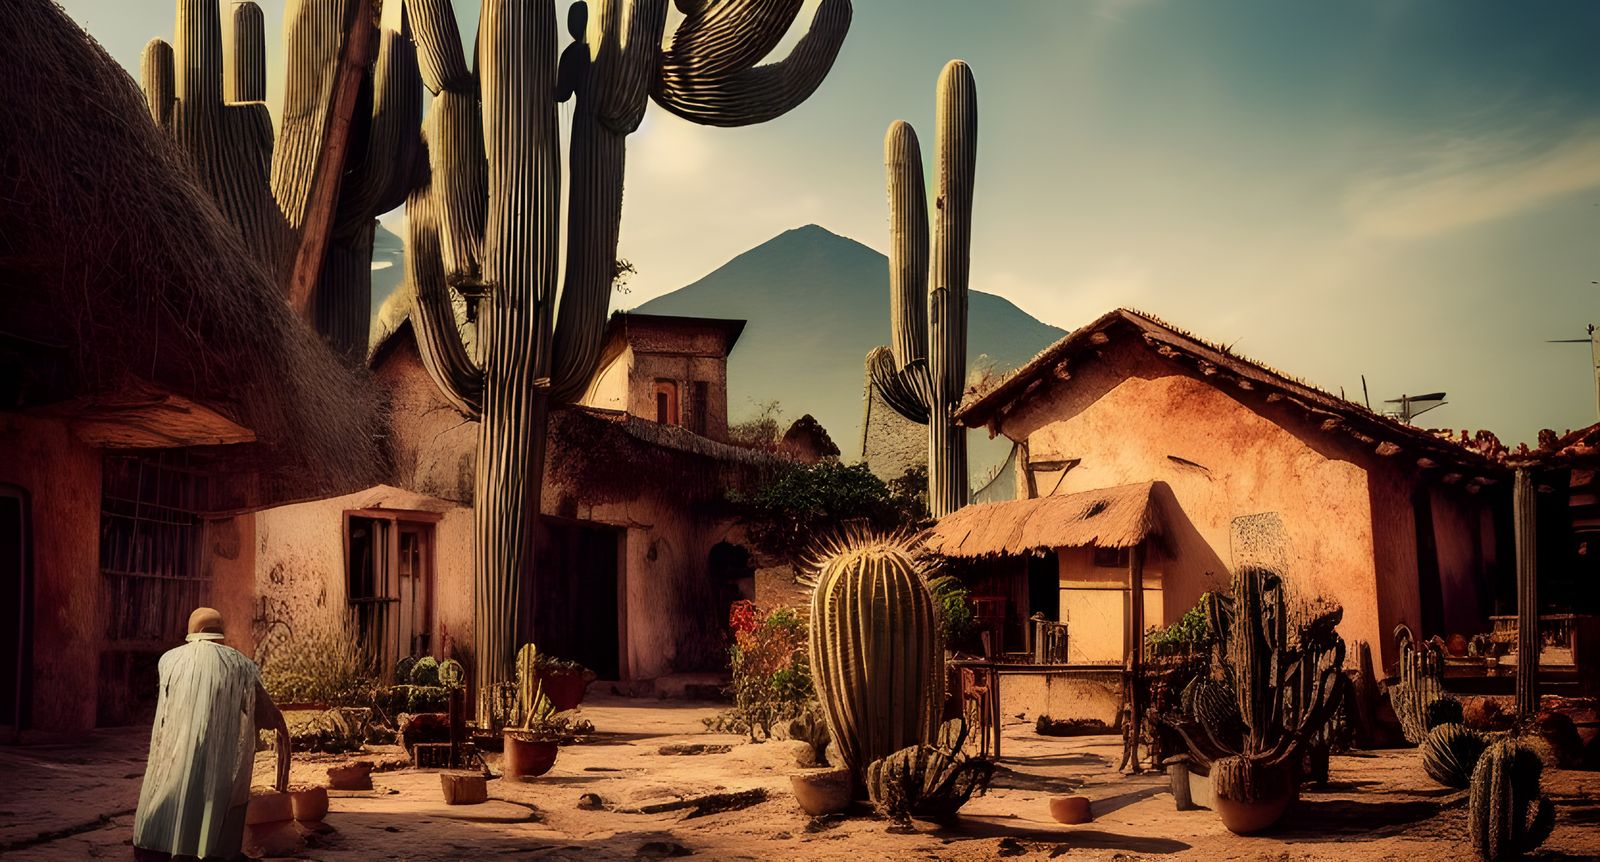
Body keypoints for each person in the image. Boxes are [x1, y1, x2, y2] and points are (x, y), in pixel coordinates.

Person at [132, 607, 290, 861]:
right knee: (213, 800)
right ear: (220, 633)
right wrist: (279, 724)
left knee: (171, 791)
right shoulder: (241, 666)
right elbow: (262, 712)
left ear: (192, 631)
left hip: (177, 751)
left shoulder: (168, 661)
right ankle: (209, 851)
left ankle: (157, 844)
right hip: (218, 754)